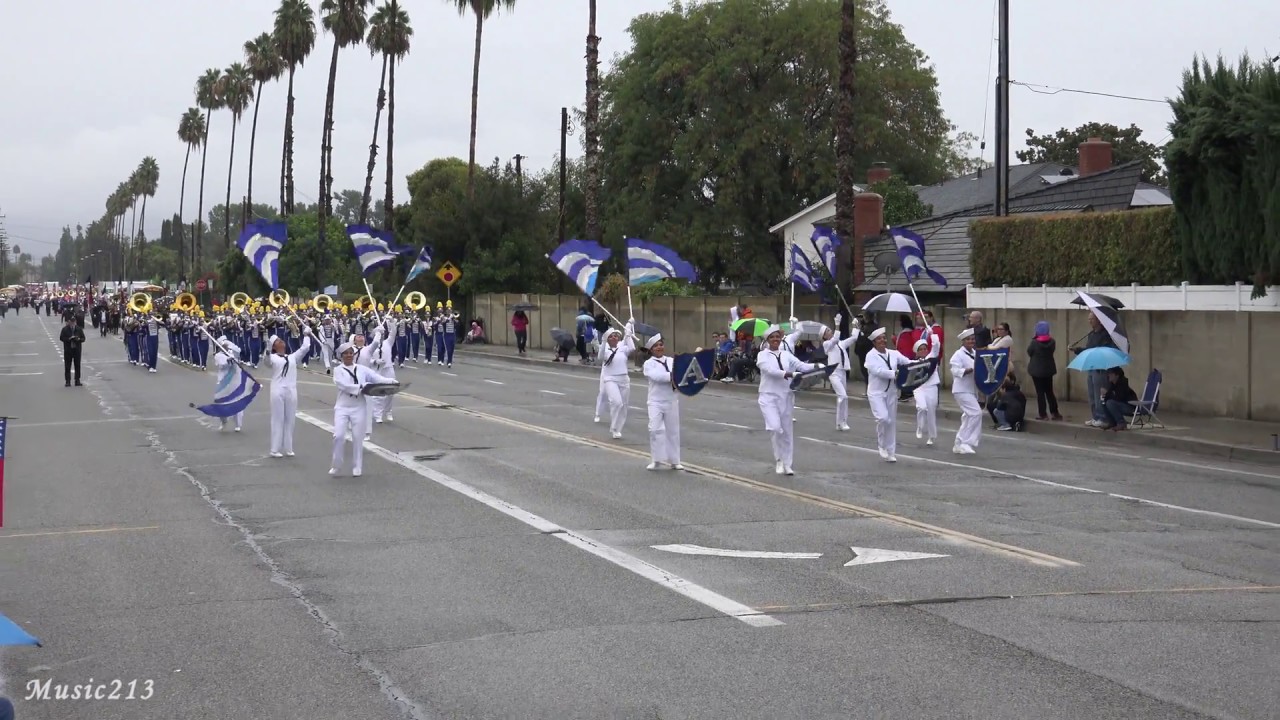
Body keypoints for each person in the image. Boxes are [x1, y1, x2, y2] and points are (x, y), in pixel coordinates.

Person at [756, 325, 820, 475]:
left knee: (786, 431)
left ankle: (787, 464)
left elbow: (802, 366)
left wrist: (818, 366)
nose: (775, 339)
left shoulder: (786, 354)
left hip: (786, 396)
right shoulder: (762, 355)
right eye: (772, 337)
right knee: (775, 427)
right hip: (768, 396)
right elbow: (769, 370)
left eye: (777, 337)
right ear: (767, 340)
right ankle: (779, 459)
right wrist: (789, 374)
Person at [331, 341, 393, 477]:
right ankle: (336, 465)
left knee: (358, 437)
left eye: (351, 353)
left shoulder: (362, 369)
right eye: (346, 354)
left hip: (359, 407)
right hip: (342, 407)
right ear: (341, 356)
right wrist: (362, 387)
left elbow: (377, 378)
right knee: (338, 436)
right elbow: (343, 385)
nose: (349, 355)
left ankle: (357, 466)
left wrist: (392, 382)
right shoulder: (337, 370)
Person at [864, 327, 910, 462]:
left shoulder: (894, 353)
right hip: (876, 393)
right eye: (879, 339)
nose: (882, 340)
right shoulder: (870, 356)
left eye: (884, 338)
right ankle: (881, 445)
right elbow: (877, 371)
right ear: (874, 342)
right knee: (883, 418)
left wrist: (921, 363)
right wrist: (894, 374)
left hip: (891, 393)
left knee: (891, 422)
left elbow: (907, 362)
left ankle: (891, 452)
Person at [266, 327, 313, 458]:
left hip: (291, 390)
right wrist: (268, 351)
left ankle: (288, 448)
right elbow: (267, 362)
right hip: (277, 390)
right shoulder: (272, 357)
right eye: (278, 341)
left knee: (290, 419)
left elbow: (305, 348)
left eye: (281, 340)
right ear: (274, 346)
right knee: (278, 419)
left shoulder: (292, 357)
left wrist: (306, 334)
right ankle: (274, 449)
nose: (281, 342)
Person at [642, 334, 682, 470]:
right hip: (655, 401)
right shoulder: (648, 364)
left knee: (673, 431)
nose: (659, 347)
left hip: (671, 400)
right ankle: (656, 459)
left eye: (661, 345)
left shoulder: (672, 361)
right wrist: (674, 375)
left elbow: (682, 374)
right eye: (656, 346)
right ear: (651, 349)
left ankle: (675, 461)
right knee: (654, 429)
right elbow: (657, 377)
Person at [597, 320, 635, 439]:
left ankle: (617, 429)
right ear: (608, 339)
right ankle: (613, 426)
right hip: (610, 379)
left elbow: (632, 348)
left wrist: (628, 332)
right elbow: (600, 356)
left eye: (615, 336)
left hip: (624, 379)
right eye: (611, 336)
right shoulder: (605, 350)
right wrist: (603, 341)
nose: (614, 337)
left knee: (623, 405)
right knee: (616, 402)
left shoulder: (622, 348)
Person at [822, 313, 858, 431]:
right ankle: (840, 422)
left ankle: (842, 422)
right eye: (827, 331)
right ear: (824, 336)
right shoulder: (827, 344)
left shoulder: (841, 344)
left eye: (830, 329)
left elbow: (853, 338)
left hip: (842, 372)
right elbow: (835, 339)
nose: (830, 331)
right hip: (834, 373)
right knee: (843, 396)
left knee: (844, 398)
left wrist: (855, 326)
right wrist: (837, 324)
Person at [950, 328, 982, 454]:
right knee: (976, 413)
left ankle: (959, 443)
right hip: (961, 389)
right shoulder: (958, 354)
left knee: (968, 416)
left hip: (972, 389)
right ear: (963, 341)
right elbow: (955, 370)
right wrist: (967, 370)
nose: (971, 341)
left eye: (972, 339)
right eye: (968, 339)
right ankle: (966, 442)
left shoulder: (975, 353)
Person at [1026, 320, 1062, 420]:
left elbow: (1029, 352)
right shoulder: (1052, 341)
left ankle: (1043, 414)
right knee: (1049, 391)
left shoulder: (1034, 342)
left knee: (1040, 392)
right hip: (1048, 370)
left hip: (1036, 370)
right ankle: (1055, 412)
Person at [911, 336, 941, 446]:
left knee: (931, 412)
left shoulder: (931, 358)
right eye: (921, 349)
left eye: (925, 348)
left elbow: (936, 345)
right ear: (917, 352)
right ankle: (920, 427)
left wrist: (932, 334)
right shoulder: (913, 362)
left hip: (931, 387)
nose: (924, 351)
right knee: (922, 407)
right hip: (919, 388)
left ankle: (931, 436)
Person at [213, 336, 244, 432]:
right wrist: (228, 360)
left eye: (227, 344)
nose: (226, 346)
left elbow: (238, 351)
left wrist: (232, 356)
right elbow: (222, 365)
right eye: (223, 345)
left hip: (234, 381)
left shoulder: (233, 352)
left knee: (236, 402)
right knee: (221, 404)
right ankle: (223, 421)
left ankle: (238, 424)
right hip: (223, 382)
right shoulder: (218, 356)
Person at [1099, 366, 1138, 431]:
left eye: (1111, 373)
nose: (1108, 375)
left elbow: (1119, 398)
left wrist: (1108, 393)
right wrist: (1105, 395)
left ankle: (1121, 423)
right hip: (1121, 405)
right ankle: (1112, 422)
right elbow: (1109, 397)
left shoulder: (1123, 384)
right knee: (1103, 402)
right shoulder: (1113, 384)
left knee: (1110, 403)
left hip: (1130, 407)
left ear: (1117, 375)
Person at [60, 315, 86, 387]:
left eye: (74, 322)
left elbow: (83, 338)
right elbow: (61, 338)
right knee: (67, 366)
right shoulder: (65, 329)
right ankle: (67, 381)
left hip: (77, 350)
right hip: (68, 350)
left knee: (77, 365)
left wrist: (78, 339)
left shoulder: (79, 329)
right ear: (69, 322)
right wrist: (68, 339)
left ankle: (77, 380)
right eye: (71, 322)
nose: (72, 323)